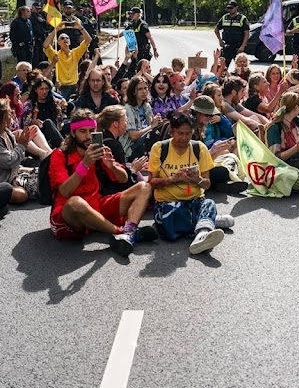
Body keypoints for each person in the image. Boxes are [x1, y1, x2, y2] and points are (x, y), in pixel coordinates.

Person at [47, 109, 154, 256]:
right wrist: (84, 164)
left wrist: (111, 166)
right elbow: (65, 192)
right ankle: (122, 232)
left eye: (92, 131)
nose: (88, 136)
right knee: (76, 203)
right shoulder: (59, 155)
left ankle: (127, 233)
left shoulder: (99, 149)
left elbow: (123, 179)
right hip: (70, 215)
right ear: (73, 133)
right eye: (82, 131)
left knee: (144, 187)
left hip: (96, 204)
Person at [148, 111, 234, 254]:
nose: (184, 138)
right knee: (171, 213)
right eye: (180, 133)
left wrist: (197, 180)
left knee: (209, 203)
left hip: (194, 200)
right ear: (172, 131)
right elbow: (151, 182)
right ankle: (208, 220)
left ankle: (202, 235)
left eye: (188, 133)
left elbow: (207, 184)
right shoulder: (160, 148)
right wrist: (173, 179)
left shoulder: (199, 148)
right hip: (168, 203)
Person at [0, 82, 52, 159]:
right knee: (20, 132)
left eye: (20, 94)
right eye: (17, 95)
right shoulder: (1, 110)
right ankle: (41, 153)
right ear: (8, 96)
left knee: (35, 127)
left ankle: (49, 151)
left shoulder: (17, 106)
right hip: (8, 139)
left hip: (21, 137)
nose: (20, 97)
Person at [43, 17, 90, 100]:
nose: (65, 39)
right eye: (62, 38)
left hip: (75, 86)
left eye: (67, 38)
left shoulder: (75, 53)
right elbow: (46, 45)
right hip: (62, 87)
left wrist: (80, 28)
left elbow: (88, 40)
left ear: (70, 42)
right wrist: (56, 30)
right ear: (58, 43)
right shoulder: (55, 55)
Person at [123, 75, 163, 159]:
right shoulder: (128, 108)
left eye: (145, 88)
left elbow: (152, 127)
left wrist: (157, 122)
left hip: (146, 142)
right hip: (131, 148)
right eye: (140, 89)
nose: (144, 91)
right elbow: (133, 136)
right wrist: (151, 126)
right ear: (133, 91)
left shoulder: (146, 106)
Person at [21, 75, 65, 148]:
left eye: (46, 89)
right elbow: (24, 124)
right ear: (36, 90)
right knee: (47, 122)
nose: (44, 92)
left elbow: (60, 122)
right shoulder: (29, 105)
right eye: (41, 89)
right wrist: (33, 122)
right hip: (40, 135)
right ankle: (63, 147)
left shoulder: (54, 103)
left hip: (56, 131)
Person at [214, 0, 249, 68]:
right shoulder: (225, 17)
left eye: (231, 8)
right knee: (221, 67)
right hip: (227, 47)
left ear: (236, 8)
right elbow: (216, 29)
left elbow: (247, 33)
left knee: (241, 68)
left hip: (238, 47)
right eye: (228, 8)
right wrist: (220, 40)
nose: (229, 10)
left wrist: (242, 46)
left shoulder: (242, 18)